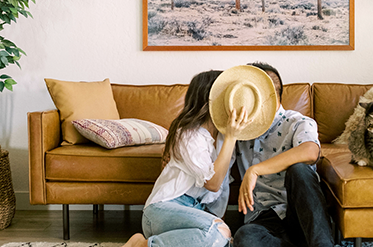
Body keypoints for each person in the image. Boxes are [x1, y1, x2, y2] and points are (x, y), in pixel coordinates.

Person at [123, 70, 249, 247]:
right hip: (163, 210)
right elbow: (213, 184)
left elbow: (222, 191)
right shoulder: (189, 135)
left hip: (194, 215)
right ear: (210, 100)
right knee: (219, 234)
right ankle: (141, 245)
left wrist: (217, 223)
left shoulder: (222, 138)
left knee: (222, 238)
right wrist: (231, 137)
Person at [233, 62, 334, 247]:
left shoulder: (298, 122)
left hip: (300, 213)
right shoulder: (240, 129)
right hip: (262, 219)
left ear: (268, 97)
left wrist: (255, 170)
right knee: (244, 237)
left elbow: (310, 152)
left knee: (300, 170)